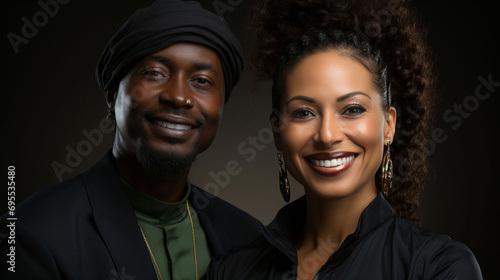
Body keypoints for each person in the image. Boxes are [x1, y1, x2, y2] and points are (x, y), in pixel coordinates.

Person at [204, 0, 482, 279]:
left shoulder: (438, 268)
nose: (327, 135)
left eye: (352, 110)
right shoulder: (230, 271)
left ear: (389, 125)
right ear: (277, 131)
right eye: (303, 112)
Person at [0, 1, 262, 279]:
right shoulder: (29, 235)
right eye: (155, 73)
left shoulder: (250, 239)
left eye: (202, 81)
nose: (179, 96)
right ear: (112, 95)